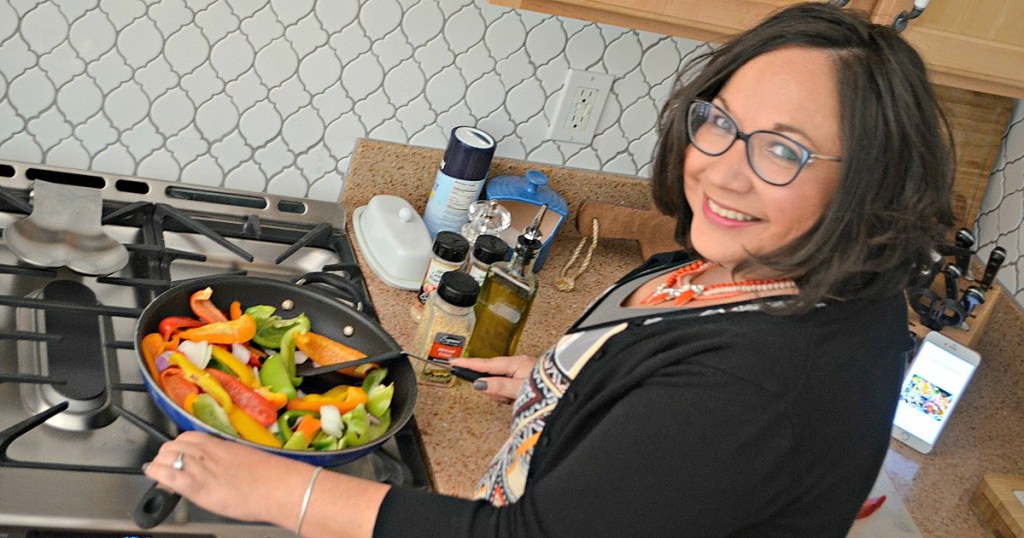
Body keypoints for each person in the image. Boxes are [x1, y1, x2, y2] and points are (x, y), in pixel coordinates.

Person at [143, 3, 953, 536]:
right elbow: (682, 397)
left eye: (784, 149)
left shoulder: (764, 382)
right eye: (720, 122)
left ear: (871, 177)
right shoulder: (798, 268)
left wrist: (286, 493)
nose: (724, 171)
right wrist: (574, 381)